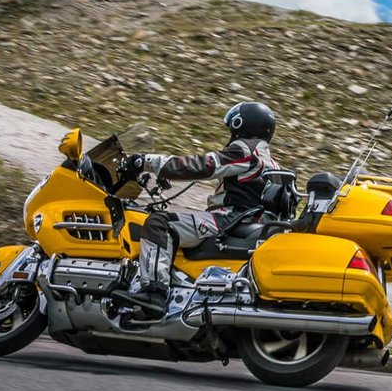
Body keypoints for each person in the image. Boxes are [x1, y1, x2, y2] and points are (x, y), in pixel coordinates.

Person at [117, 100, 280, 313]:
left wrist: (147, 162)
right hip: (246, 221)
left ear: (242, 125)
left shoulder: (245, 151)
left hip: (229, 219)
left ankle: (153, 293)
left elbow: (204, 165)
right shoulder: (271, 161)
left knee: (159, 223)